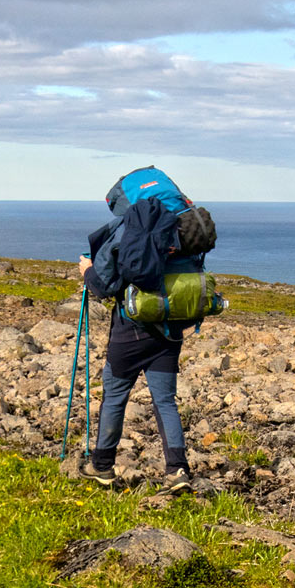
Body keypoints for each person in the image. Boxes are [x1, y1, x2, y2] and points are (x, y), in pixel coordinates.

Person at [75, 167, 196, 489]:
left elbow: (104, 285)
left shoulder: (130, 228)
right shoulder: (185, 227)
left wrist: (87, 270)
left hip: (131, 328)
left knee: (115, 395)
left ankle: (101, 466)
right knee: (165, 400)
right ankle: (178, 471)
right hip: (171, 327)